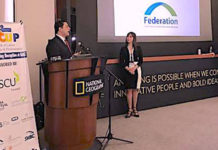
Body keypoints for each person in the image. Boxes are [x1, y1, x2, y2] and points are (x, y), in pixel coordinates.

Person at [120, 32, 143, 118]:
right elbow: (121, 62)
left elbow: (141, 61)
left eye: (130, 37)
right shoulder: (123, 49)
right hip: (127, 71)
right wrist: (129, 69)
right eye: (127, 36)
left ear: (133, 38)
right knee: (129, 90)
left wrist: (134, 68)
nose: (128, 38)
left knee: (135, 90)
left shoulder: (138, 48)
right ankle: (129, 109)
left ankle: (135, 109)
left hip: (136, 70)